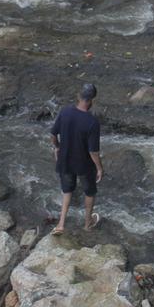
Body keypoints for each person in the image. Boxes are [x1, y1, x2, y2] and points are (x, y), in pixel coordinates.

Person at [49, 82, 104, 234]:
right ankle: (87, 224)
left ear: (78, 96)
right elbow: (93, 151)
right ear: (92, 100)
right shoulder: (92, 122)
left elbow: (53, 134)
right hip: (84, 164)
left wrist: (57, 147)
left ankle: (61, 224)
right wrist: (99, 168)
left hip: (65, 159)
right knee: (90, 192)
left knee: (67, 191)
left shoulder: (65, 112)